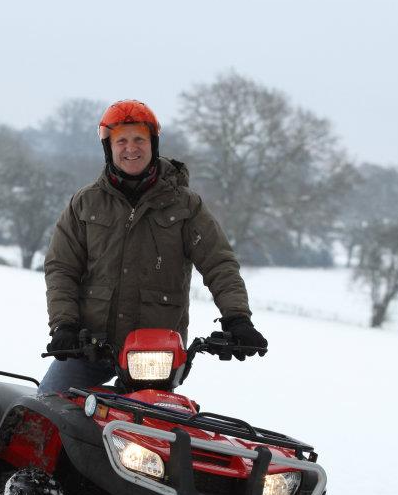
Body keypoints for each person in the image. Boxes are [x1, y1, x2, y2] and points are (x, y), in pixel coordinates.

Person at [38, 99, 267, 394]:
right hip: (89, 346)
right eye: (121, 141)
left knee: (147, 433)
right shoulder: (85, 203)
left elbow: (218, 263)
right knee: (45, 412)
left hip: (154, 355)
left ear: (153, 144)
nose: (130, 148)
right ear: (109, 148)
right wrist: (64, 326)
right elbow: (61, 268)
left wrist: (237, 318)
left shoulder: (186, 205)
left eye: (139, 139)